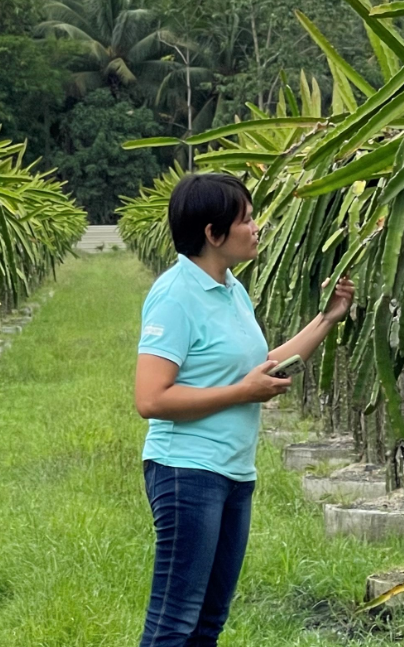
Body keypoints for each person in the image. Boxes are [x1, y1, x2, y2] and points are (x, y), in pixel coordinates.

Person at [134, 173, 354, 647]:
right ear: (213, 234)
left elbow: (262, 365)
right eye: (247, 220)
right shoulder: (175, 297)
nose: (257, 228)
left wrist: (327, 318)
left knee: (209, 622)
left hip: (234, 472)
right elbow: (151, 399)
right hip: (186, 471)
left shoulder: (230, 288)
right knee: (174, 623)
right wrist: (241, 392)